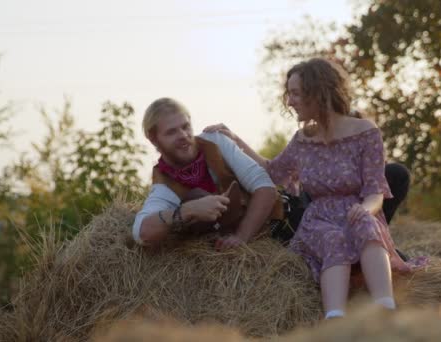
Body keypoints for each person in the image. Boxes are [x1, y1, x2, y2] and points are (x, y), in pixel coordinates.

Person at [204, 58, 426, 319]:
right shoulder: (302, 140)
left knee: (366, 224)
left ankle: (385, 311)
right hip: (318, 219)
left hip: (358, 211)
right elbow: (272, 170)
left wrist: (366, 209)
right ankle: (335, 320)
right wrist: (234, 138)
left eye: (295, 93)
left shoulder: (366, 132)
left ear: (318, 92)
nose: (289, 101)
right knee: (334, 238)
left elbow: (376, 189)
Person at [132, 98, 280, 251]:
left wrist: (241, 237)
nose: (183, 135)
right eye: (171, 132)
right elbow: (142, 233)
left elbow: (266, 188)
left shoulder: (215, 141)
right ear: (153, 138)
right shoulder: (164, 185)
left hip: (279, 230)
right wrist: (188, 210)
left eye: (185, 126)